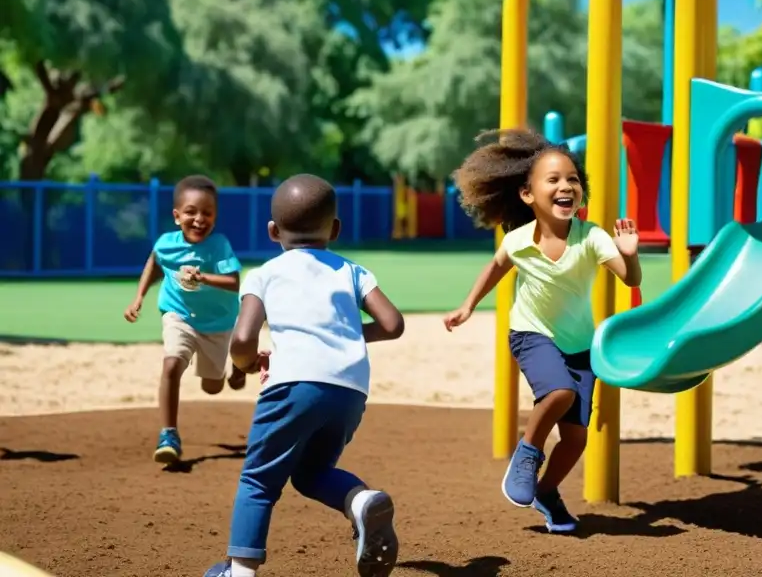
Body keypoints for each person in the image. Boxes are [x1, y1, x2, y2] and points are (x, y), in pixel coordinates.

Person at [204, 173, 405, 577]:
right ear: (334, 229)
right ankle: (360, 501)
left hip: (293, 384)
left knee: (259, 481)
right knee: (311, 473)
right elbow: (393, 323)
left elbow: (243, 338)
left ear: (273, 230)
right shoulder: (351, 271)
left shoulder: (265, 273)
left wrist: (244, 364)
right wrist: (344, 333)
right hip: (349, 392)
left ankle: (239, 572)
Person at [442, 128, 641, 534]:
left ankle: (547, 492)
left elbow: (628, 278)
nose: (566, 185)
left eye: (572, 179)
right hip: (530, 333)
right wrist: (468, 305)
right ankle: (527, 453)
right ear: (528, 195)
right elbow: (495, 268)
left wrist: (630, 255)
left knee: (575, 439)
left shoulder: (592, 237)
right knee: (558, 392)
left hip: (580, 345)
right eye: (553, 179)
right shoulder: (517, 240)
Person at [124, 174, 247, 464]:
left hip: (217, 324)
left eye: (207, 213)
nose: (199, 219)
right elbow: (155, 263)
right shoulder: (166, 243)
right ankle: (169, 434)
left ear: (215, 217)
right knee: (171, 364)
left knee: (211, 387)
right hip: (178, 314)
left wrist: (202, 276)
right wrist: (139, 296)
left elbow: (233, 281)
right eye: (191, 212)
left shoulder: (219, 245)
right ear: (177, 216)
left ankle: (237, 367)